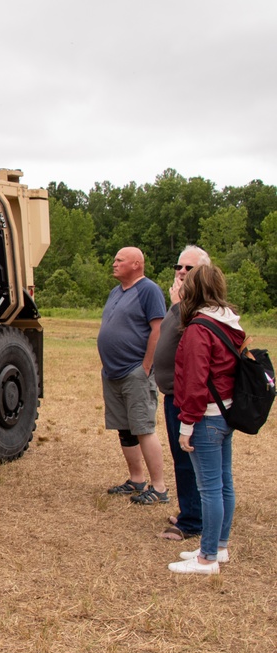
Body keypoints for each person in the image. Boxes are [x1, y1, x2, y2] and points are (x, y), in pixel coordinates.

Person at [168, 264, 243, 575]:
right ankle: (219, 546)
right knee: (224, 483)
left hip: (207, 417)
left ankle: (207, 557)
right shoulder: (229, 323)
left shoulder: (200, 328)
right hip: (225, 413)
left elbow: (195, 381)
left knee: (209, 488)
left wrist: (187, 424)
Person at [98, 247, 168, 504]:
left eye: (119, 260)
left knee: (143, 428)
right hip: (113, 373)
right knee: (125, 429)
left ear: (136, 264)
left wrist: (146, 366)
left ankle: (159, 488)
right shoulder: (116, 292)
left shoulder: (149, 290)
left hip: (135, 372)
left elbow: (157, 329)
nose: (114, 263)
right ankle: (136, 479)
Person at [154, 246, 210, 540]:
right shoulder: (184, 303)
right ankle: (191, 510)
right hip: (173, 393)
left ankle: (192, 521)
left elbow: (186, 337)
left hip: (186, 396)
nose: (182, 272)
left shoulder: (196, 307)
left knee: (190, 458)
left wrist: (176, 305)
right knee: (182, 457)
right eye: (179, 267)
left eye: (190, 268)